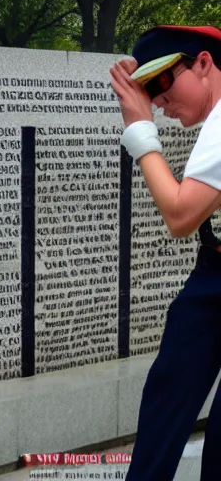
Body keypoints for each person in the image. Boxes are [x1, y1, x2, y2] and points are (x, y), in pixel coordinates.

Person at [110, 25, 221, 481]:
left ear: (203, 64)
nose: (157, 102)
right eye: (147, 92)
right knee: (167, 393)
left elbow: (180, 216)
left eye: (160, 84)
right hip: (212, 270)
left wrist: (139, 131)